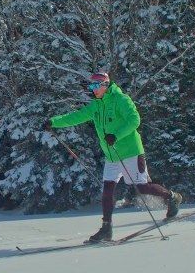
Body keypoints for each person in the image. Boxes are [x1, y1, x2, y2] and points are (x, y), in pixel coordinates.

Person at [44, 72, 182, 242]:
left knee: (142, 187)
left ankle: (172, 197)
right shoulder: (96, 105)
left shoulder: (121, 99)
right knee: (107, 189)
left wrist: (116, 135)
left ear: (105, 85)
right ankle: (106, 228)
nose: (93, 89)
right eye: (91, 86)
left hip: (131, 151)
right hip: (112, 155)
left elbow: (134, 120)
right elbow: (76, 117)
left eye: (96, 86)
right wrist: (53, 122)